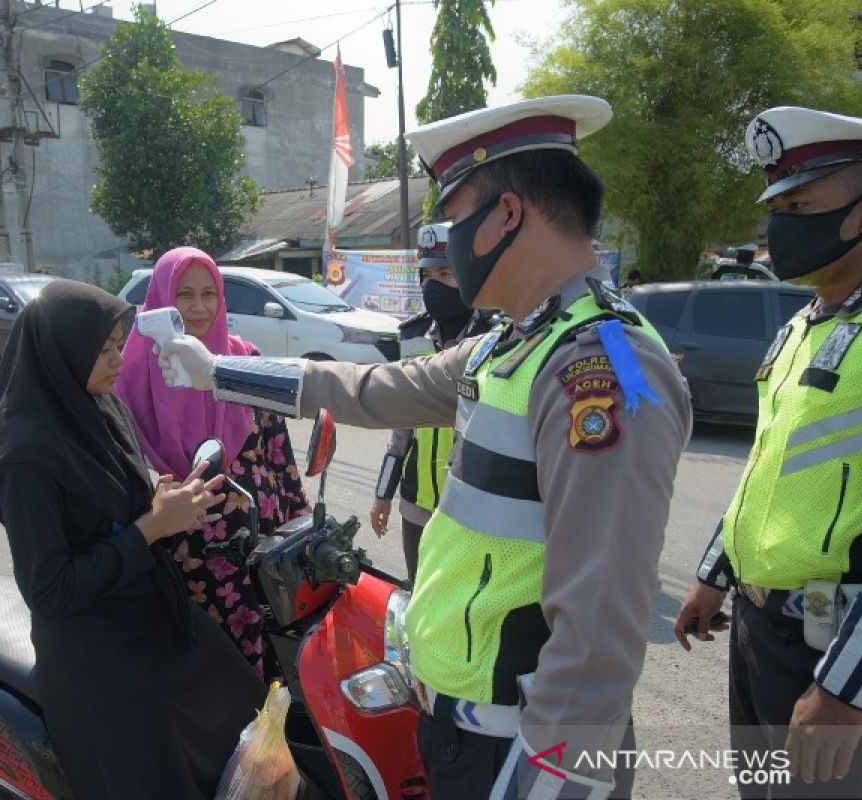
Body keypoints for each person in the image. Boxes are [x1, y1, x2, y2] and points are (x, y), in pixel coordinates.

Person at [160, 95, 693, 799]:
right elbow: (372, 388)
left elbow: (599, 632)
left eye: (453, 212)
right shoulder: (513, 341)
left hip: (520, 750)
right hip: (457, 725)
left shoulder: (607, 360)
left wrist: (549, 784)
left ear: (506, 215)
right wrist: (218, 370)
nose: (442, 236)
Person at [674, 107, 862, 798]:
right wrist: (714, 574)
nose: (777, 226)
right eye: (777, 207)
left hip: (832, 649)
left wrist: (847, 688)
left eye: (800, 206)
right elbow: (771, 466)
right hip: (758, 633)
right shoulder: (802, 324)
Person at [0, 280, 266, 799]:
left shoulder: (99, 405)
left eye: (120, 345)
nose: (120, 358)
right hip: (96, 647)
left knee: (242, 705)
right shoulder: (26, 460)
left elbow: (125, 484)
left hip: (147, 608)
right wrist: (150, 528)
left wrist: (174, 496)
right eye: (106, 348)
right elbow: (50, 589)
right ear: (64, 350)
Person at [115, 247, 308, 680]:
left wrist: (300, 529)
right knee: (197, 681)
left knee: (264, 681)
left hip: (258, 558)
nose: (199, 307)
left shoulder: (246, 363)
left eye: (209, 294)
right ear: (162, 298)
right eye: (185, 294)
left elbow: (279, 454)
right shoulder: (130, 377)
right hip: (180, 565)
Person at [370, 222, 492, 581]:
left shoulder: (493, 337)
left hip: (472, 510)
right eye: (427, 275)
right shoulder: (411, 336)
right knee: (418, 596)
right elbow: (400, 429)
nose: (434, 285)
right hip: (417, 505)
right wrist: (383, 494)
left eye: (445, 273)